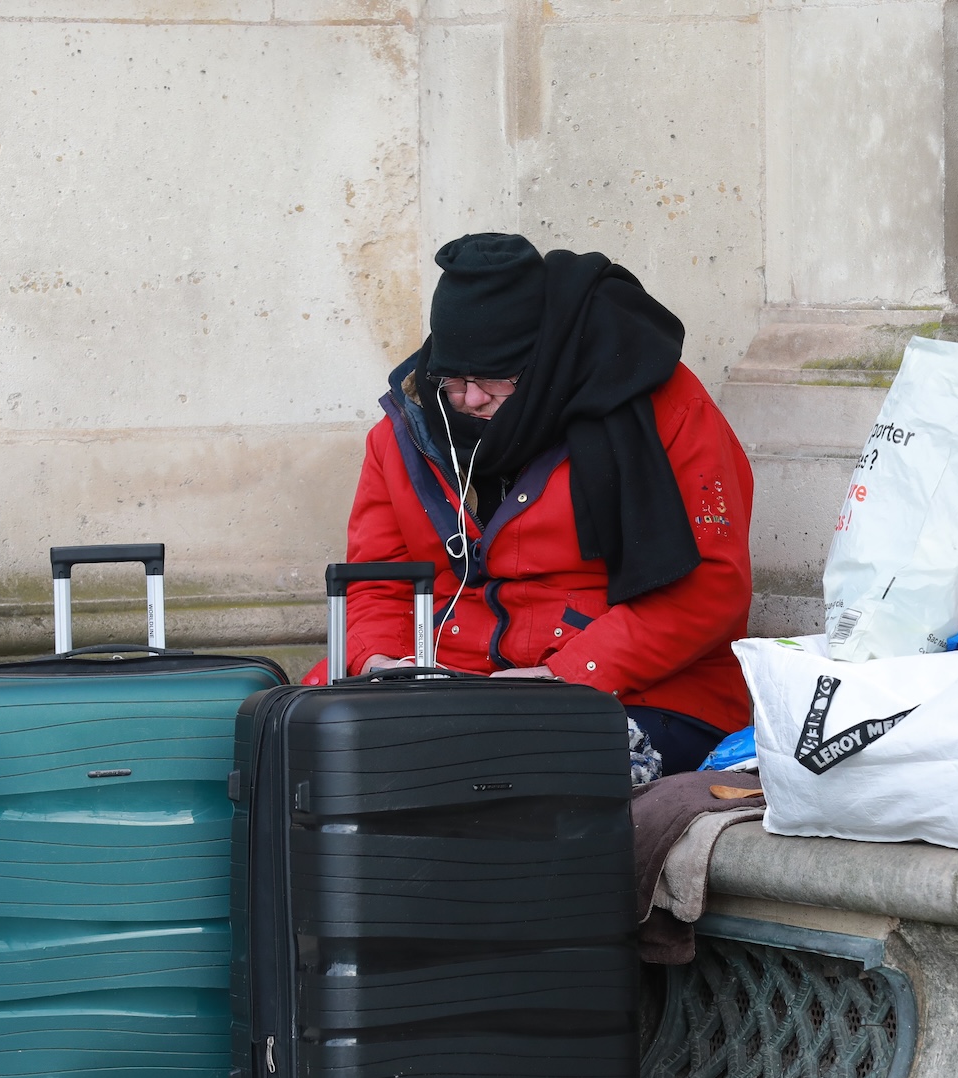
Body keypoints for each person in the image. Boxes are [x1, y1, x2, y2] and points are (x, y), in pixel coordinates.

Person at [308, 232, 754, 774]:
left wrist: (572, 675)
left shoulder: (667, 409)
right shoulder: (406, 429)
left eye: (495, 381)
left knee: (510, 771)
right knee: (299, 743)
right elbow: (378, 582)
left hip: (641, 692)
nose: (471, 400)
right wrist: (380, 662)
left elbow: (711, 586)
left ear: (543, 365)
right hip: (451, 687)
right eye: (454, 381)